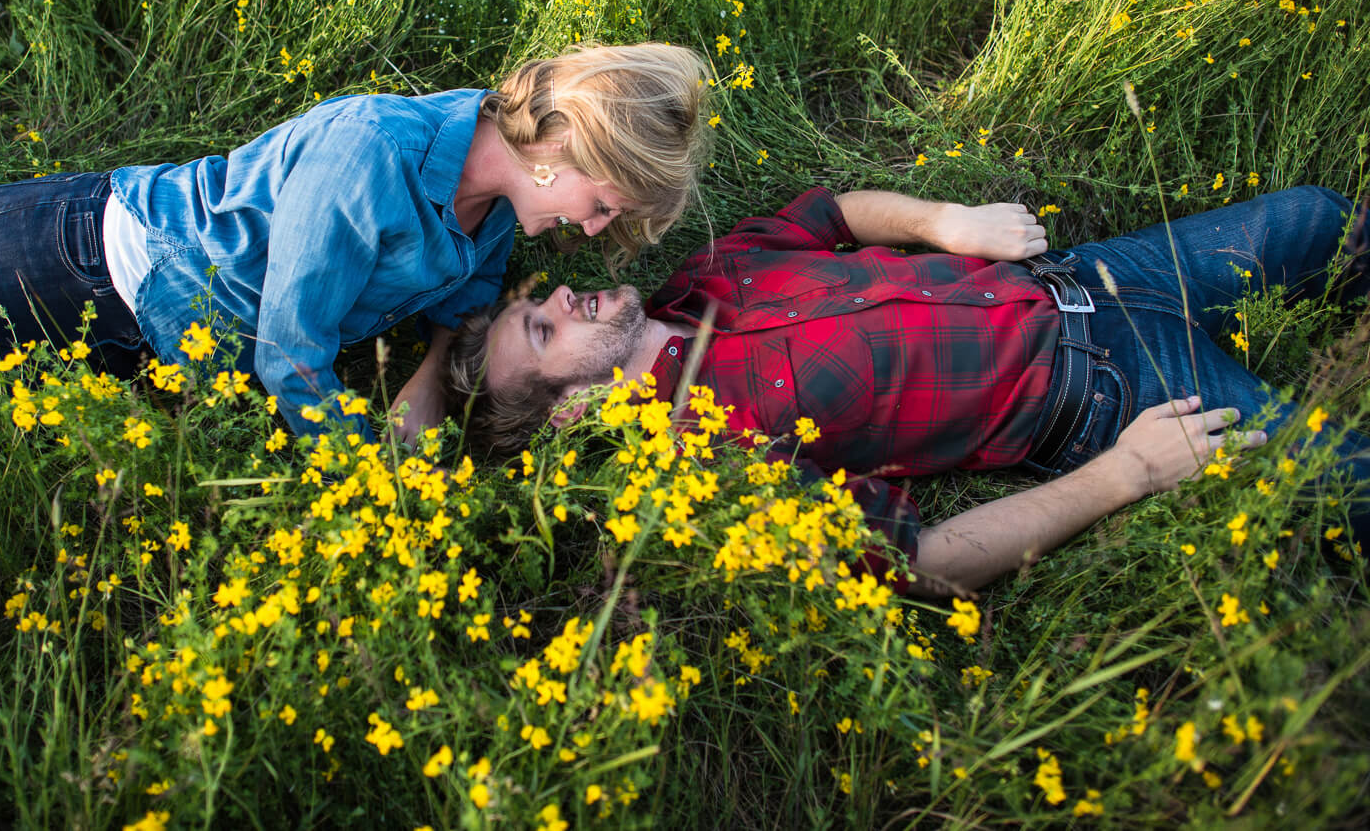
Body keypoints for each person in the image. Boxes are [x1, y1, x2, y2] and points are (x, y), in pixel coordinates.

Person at [444, 185, 1369, 594]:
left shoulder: (705, 276)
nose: (562, 297)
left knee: (1324, 220)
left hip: (1092, 276)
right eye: (545, 329)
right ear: (569, 409)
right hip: (1112, 394)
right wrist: (1124, 474)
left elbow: (831, 214)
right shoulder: (714, 471)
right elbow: (924, 560)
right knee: (1350, 484)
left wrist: (946, 223)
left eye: (539, 302)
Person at [0, 42, 711, 441]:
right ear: (563, 151)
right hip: (81, 258)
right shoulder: (373, 156)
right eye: (604, 202)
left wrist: (428, 384)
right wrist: (369, 479)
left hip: (168, 356)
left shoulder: (501, 205)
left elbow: (467, 301)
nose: (595, 231)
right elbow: (291, 356)